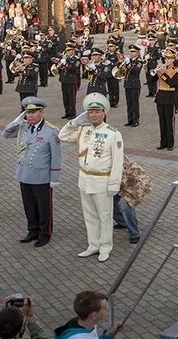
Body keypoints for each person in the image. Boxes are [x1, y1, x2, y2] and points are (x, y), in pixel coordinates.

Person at [58, 93, 125, 263]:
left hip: (102, 180)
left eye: (97, 112)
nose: (93, 115)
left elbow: (118, 161)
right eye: (90, 112)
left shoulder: (113, 133)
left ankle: (105, 246)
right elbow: (62, 136)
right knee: (89, 215)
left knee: (104, 216)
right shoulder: (83, 129)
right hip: (85, 179)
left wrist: (114, 184)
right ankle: (93, 244)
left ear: (104, 113)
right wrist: (74, 122)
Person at [1, 96, 61, 247]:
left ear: (41, 112)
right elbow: (6, 134)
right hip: (24, 174)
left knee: (43, 207)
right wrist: (17, 120)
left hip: (41, 177)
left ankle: (44, 233)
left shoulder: (51, 131)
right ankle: (32, 230)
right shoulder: (23, 127)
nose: (31, 115)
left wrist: (54, 178)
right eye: (28, 113)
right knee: (29, 206)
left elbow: (56, 157)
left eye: (34, 112)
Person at [53, 291, 123, 338]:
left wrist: (109, 334)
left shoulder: (87, 323)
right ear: (94, 315)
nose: (107, 309)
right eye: (104, 308)